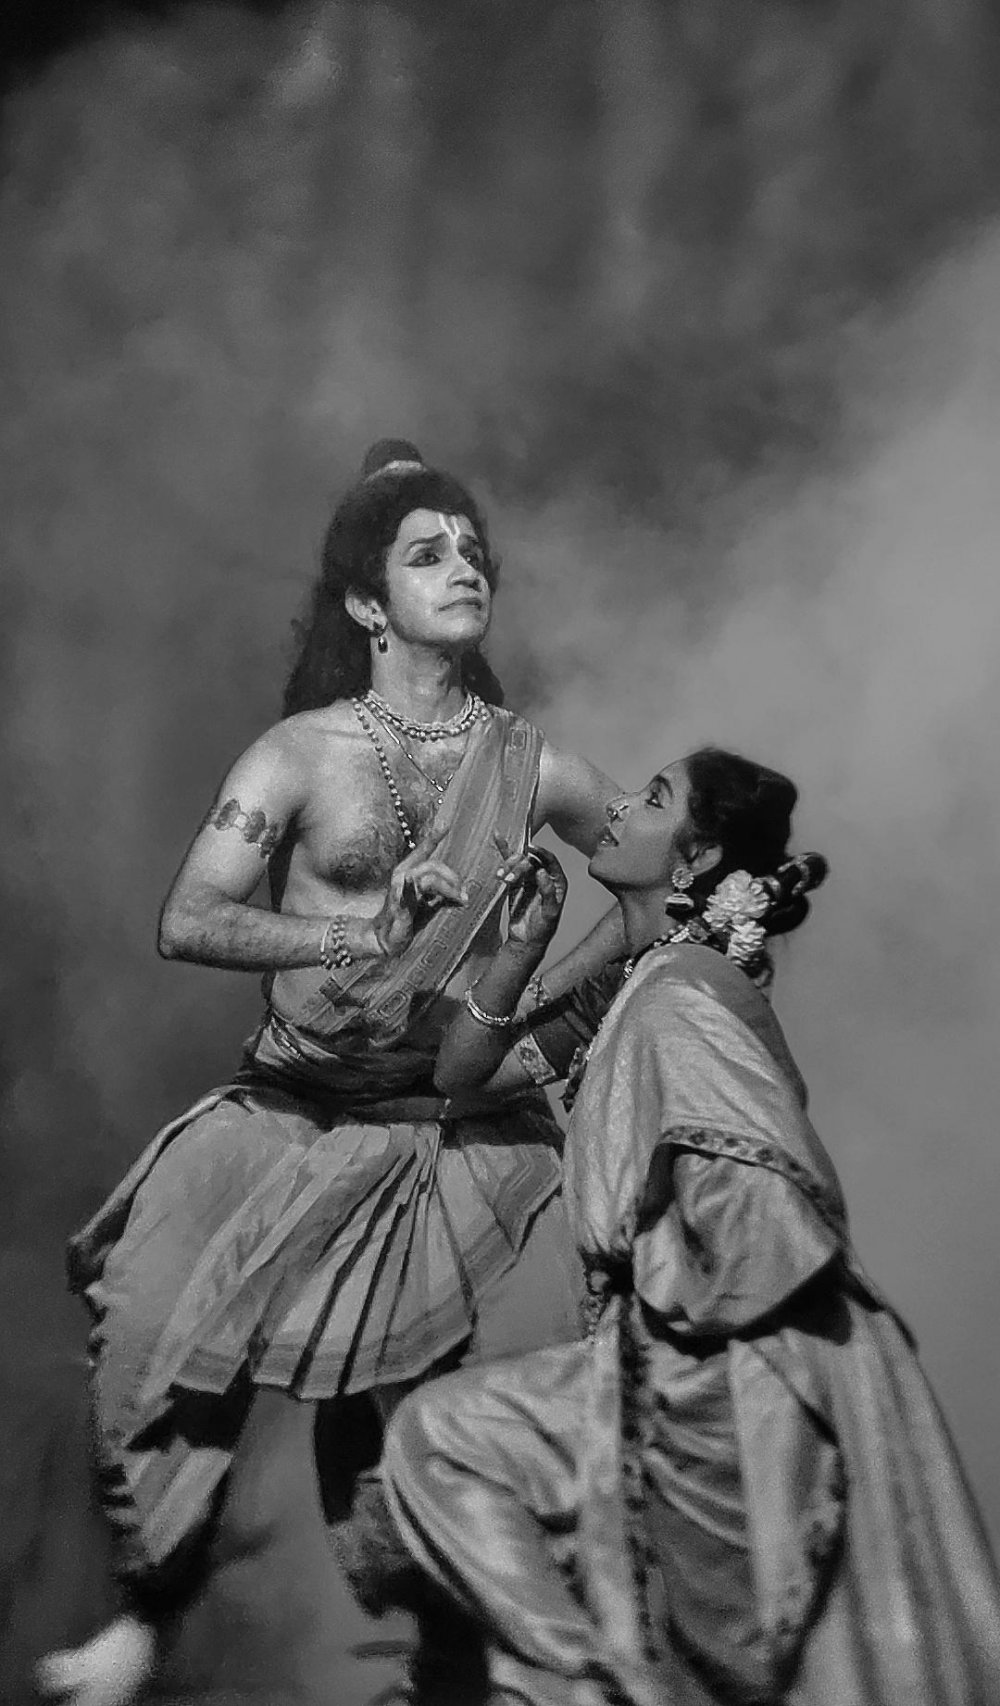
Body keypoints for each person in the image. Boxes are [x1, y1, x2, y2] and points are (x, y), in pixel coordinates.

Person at [37, 440, 625, 1706]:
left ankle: (462, 1661)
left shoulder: (533, 768)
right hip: (286, 1110)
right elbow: (190, 918)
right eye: (428, 553)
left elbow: (653, 877)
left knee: (400, 1412)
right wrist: (363, 927)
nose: (465, 567)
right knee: (148, 1328)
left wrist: (550, 1011)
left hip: (443, 1130)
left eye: (473, 551)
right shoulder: (296, 756)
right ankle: (149, 1610)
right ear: (366, 600)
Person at [382, 747, 1000, 1706]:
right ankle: (596, 1679)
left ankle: (597, 1687)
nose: (618, 807)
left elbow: (758, 1204)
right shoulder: (626, 991)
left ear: (697, 855)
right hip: (655, 1343)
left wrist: (671, 1315)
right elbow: (462, 1078)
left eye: (653, 799)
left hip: (725, 1347)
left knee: (447, 1439)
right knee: (448, 1440)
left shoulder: (677, 995)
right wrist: (520, 952)